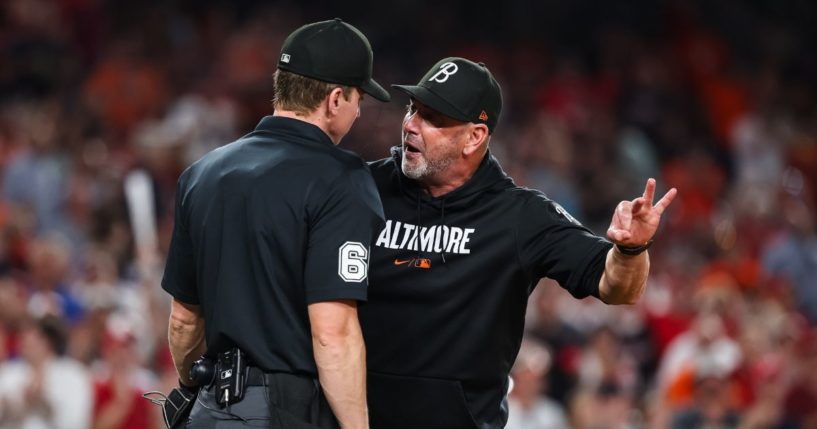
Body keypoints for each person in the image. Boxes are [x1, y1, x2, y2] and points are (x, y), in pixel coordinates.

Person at [358, 57, 677, 429]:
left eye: (432, 118)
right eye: (413, 109)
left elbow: (617, 287)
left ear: (474, 137)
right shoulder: (363, 189)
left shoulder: (519, 216)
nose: (411, 124)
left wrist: (631, 249)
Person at [160, 18, 389, 428]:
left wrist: (196, 389)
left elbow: (183, 321)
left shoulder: (203, 173)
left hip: (210, 407)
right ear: (335, 99)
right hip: (285, 409)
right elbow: (331, 334)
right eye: (359, 97)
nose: (359, 110)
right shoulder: (342, 179)